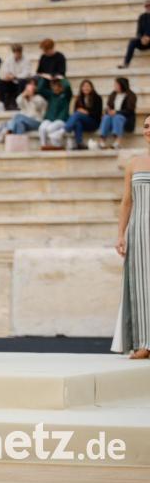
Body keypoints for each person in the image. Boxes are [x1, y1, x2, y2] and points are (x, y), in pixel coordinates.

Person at [112, 115, 150, 359]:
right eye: (146, 126)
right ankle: (143, 343)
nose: (149, 130)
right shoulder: (134, 163)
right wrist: (121, 234)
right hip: (139, 231)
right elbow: (127, 201)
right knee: (141, 286)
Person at [98, 77, 138, 149]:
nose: (114, 86)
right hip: (111, 118)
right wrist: (108, 111)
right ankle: (102, 141)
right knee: (106, 117)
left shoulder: (131, 95)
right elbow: (108, 107)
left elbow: (130, 110)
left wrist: (116, 112)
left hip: (126, 119)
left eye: (116, 84)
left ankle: (117, 142)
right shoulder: (113, 94)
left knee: (117, 117)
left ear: (122, 85)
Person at [65, 79, 102, 150]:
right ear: (81, 88)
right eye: (84, 86)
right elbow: (75, 113)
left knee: (78, 114)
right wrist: (81, 112)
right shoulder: (79, 99)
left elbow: (98, 113)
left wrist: (86, 112)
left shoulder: (97, 98)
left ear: (91, 87)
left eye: (88, 86)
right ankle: (79, 143)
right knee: (77, 122)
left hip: (93, 123)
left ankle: (66, 128)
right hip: (82, 124)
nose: (86, 88)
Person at [37, 78, 73, 149]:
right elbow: (40, 89)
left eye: (58, 86)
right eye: (54, 86)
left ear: (61, 87)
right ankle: (44, 146)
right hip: (50, 119)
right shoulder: (51, 95)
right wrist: (44, 77)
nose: (55, 88)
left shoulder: (66, 96)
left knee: (50, 129)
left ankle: (57, 145)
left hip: (61, 120)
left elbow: (68, 87)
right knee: (42, 128)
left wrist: (61, 78)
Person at [0, 44, 34, 111]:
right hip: (10, 81)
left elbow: (26, 73)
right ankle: (1, 103)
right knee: (1, 81)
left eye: (18, 52)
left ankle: (19, 104)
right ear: (13, 52)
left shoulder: (27, 60)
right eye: (15, 52)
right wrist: (7, 76)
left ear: (21, 52)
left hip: (22, 81)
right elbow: (3, 71)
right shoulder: (8, 59)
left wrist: (15, 76)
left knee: (22, 81)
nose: (17, 54)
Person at [119, 0, 150, 69]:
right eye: (147, 6)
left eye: (149, 5)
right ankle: (126, 63)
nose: (148, 7)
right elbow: (139, 31)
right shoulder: (142, 17)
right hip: (144, 41)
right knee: (132, 42)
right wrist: (141, 38)